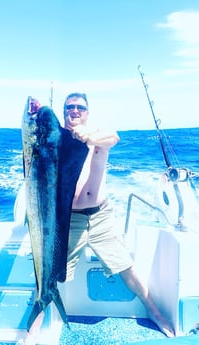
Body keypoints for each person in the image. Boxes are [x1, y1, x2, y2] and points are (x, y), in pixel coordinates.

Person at [63, 92, 175, 338]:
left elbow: (113, 138)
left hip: (101, 216)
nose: (75, 110)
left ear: (87, 111)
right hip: (70, 220)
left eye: (80, 107)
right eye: (69, 106)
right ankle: (37, 327)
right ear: (64, 111)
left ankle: (155, 313)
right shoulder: (59, 138)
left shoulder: (99, 134)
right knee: (55, 275)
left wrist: (88, 136)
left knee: (127, 267)